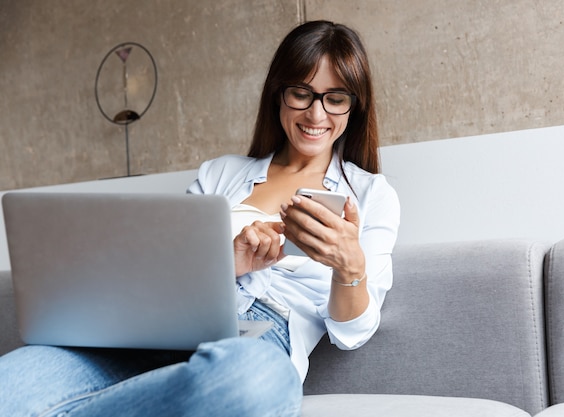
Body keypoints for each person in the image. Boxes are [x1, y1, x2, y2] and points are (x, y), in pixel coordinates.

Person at [0, 20, 399, 416]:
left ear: (353, 105)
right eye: (301, 93)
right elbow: (164, 279)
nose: (316, 113)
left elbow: (352, 333)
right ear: (279, 94)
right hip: (165, 329)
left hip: (254, 343)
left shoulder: (369, 194)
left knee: (256, 381)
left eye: (335, 98)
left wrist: (349, 264)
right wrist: (228, 262)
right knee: (12, 382)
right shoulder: (219, 174)